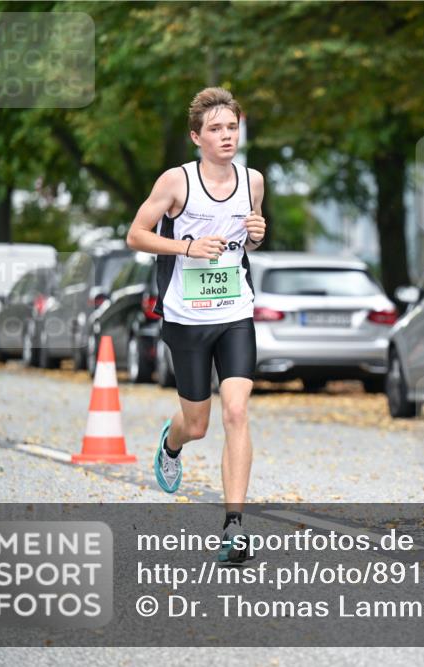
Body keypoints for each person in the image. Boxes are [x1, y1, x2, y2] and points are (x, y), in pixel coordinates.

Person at [126, 87, 266, 560]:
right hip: (186, 315)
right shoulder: (176, 183)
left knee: (236, 412)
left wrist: (257, 234)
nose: (226, 136)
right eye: (216, 129)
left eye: (232, 127)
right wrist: (186, 247)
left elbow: (250, 239)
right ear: (196, 137)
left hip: (235, 312)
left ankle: (235, 526)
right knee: (198, 424)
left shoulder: (254, 181)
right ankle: (171, 443)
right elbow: (135, 235)